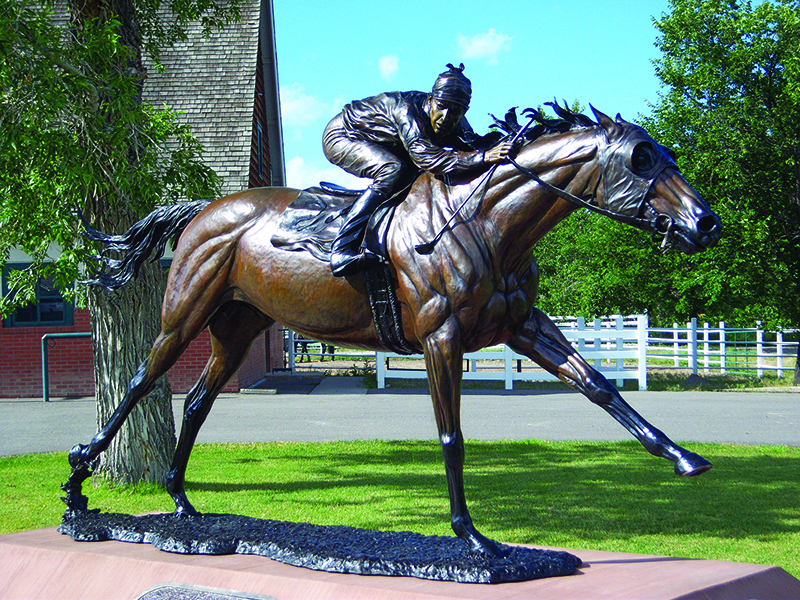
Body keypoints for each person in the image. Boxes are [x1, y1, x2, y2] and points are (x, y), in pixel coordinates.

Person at [322, 63, 513, 276]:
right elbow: (428, 158)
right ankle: (341, 250)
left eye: (456, 111)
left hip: (390, 143)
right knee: (392, 170)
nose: (447, 116)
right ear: (431, 100)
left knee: (410, 174)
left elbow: (474, 144)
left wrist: (511, 141)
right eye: (441, 106)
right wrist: (484, 157)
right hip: (344, 135)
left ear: (464, 111)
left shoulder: (457, 121)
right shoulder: (407, 110)